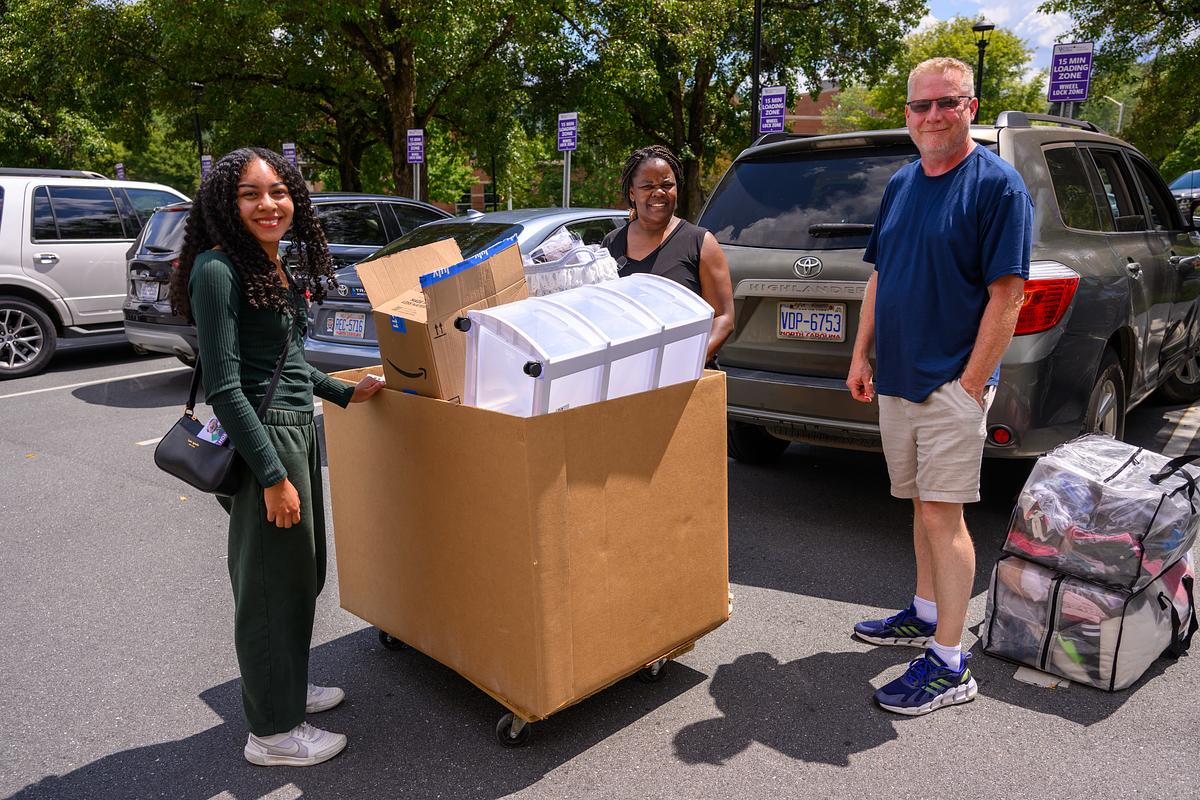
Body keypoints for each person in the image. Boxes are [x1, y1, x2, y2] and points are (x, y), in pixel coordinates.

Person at [169, 147, 385, 765]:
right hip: (265, 442)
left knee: (299, 578)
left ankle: (287, 689)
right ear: (225, 205)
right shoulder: (218, 269)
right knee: (268, 589)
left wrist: (347, 392)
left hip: (294, 433)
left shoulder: (271, 263)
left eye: (278, 191)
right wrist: (271, 476)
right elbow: (226, 388)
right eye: (250, 194)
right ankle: (271, 734)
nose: (268, 204)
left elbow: (286, 365)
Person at [844, 58, 1032, 715]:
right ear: (907, 115)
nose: (932, 117)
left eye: (946, 104)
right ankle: (926, 614)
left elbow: (1007, 297)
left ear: (970, 107)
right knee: (919, 504)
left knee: (940, 514)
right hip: (896, 377)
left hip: (949, 384)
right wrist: (862, 354)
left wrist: (969, 384)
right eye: (921, 106)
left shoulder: (997, 188)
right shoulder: (901, 185)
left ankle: (951, 666)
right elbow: (880, 278)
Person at [601, 145, 734, 365]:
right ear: (632, 193)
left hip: (684, 376)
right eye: (647, 186)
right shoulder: (612, 243)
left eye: (667, 185)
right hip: (626, 377)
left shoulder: (700, 242)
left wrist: (688, 361)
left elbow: (723, 318)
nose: (659, 192)